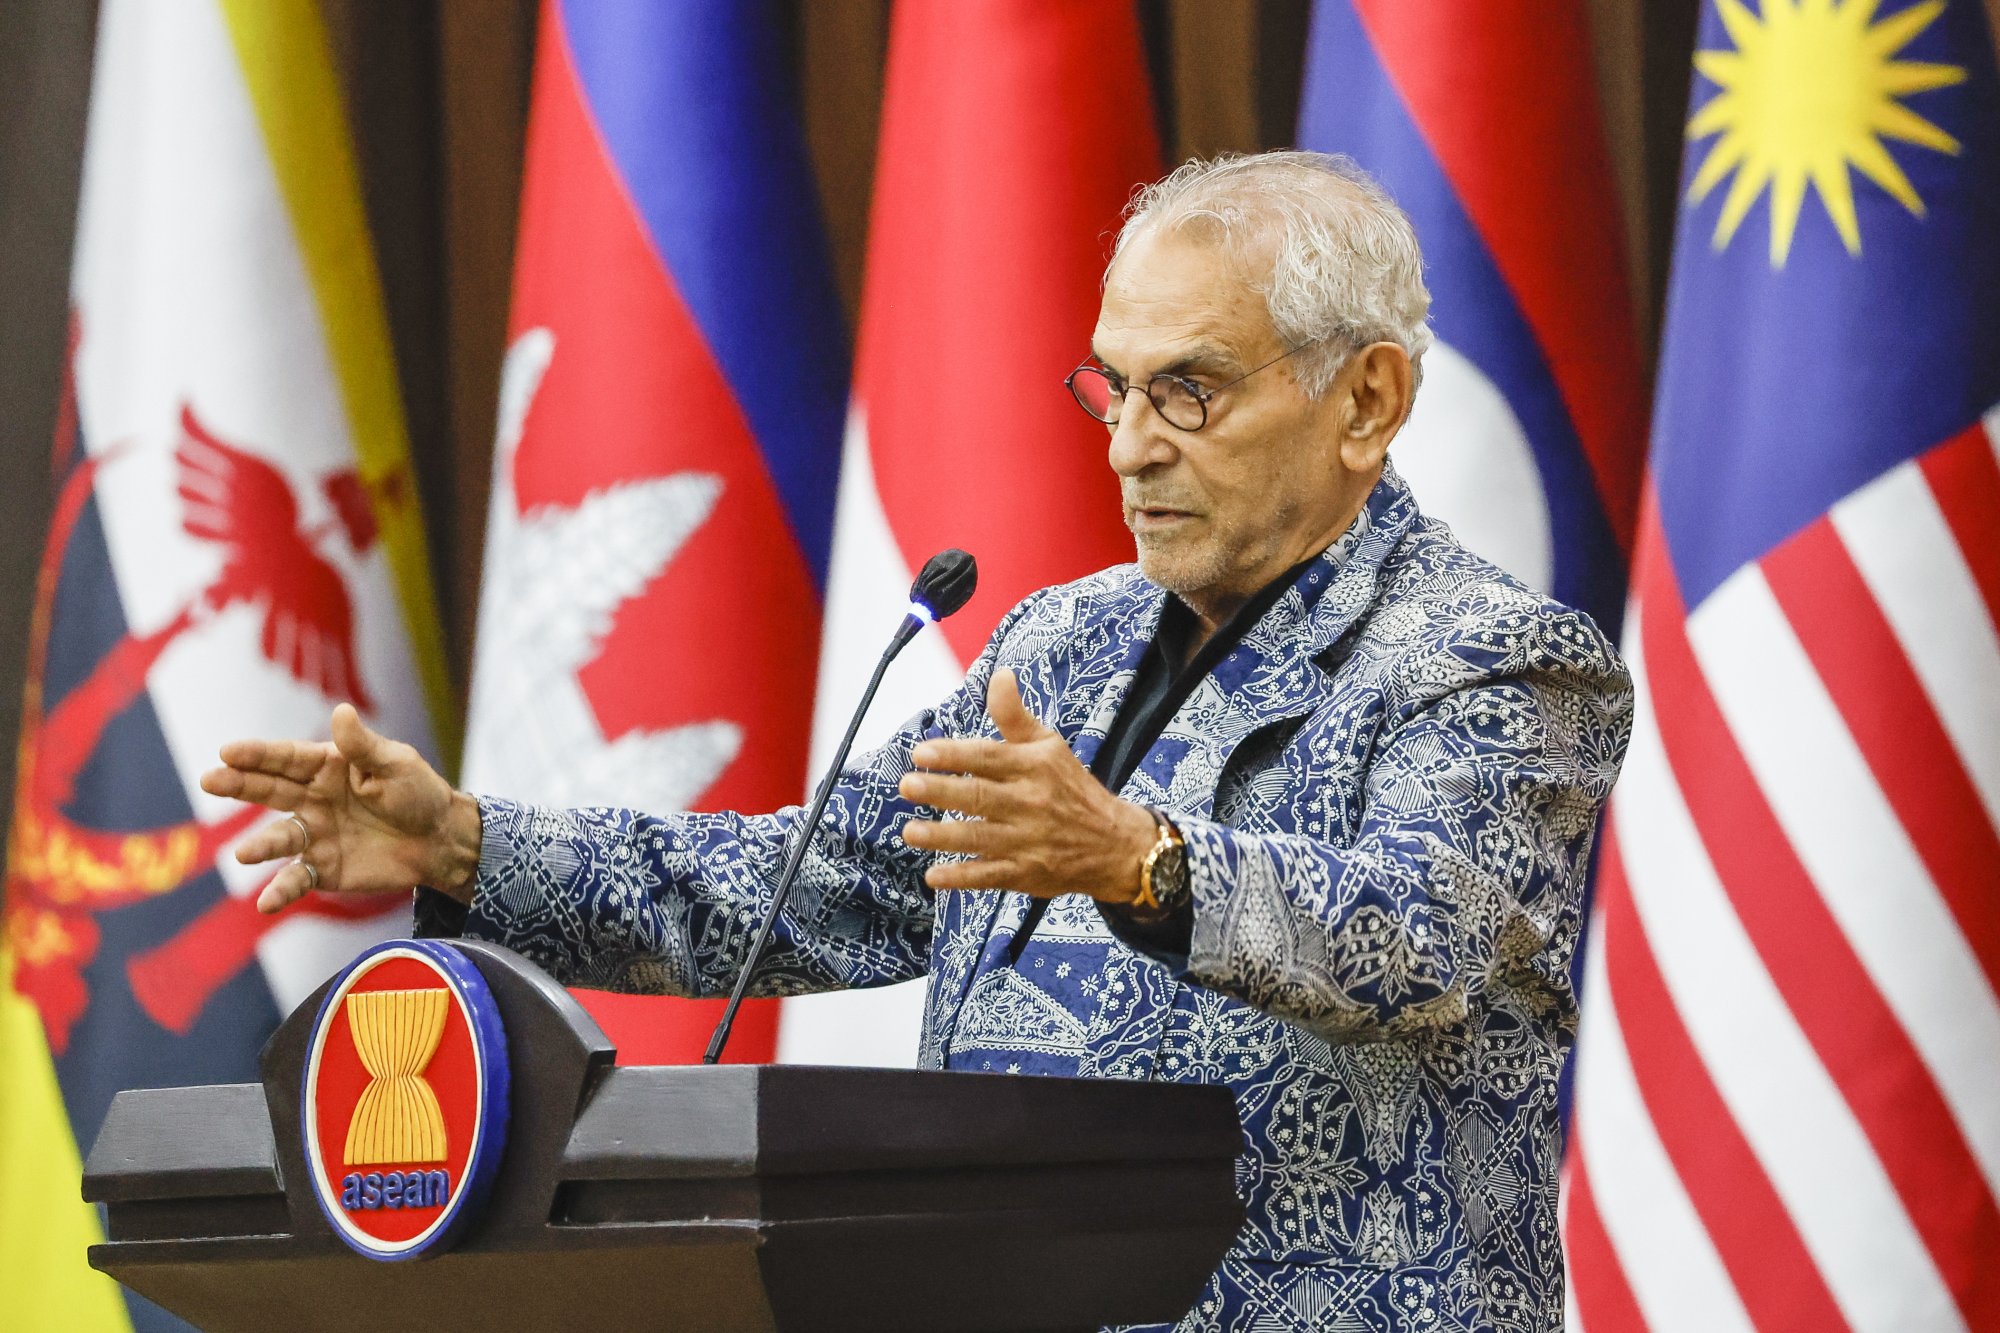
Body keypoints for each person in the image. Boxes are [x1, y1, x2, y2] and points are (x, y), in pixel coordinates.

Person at [204, 151, 1632, 1333]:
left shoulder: (1496, 661)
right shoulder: (1059, 646)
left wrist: (1143, 864)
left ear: (1366, 400)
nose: (1130, 444)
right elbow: (800, 889)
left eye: (1188, 388)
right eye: (1112, 388)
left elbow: (1418, 936)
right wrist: (463, 841)